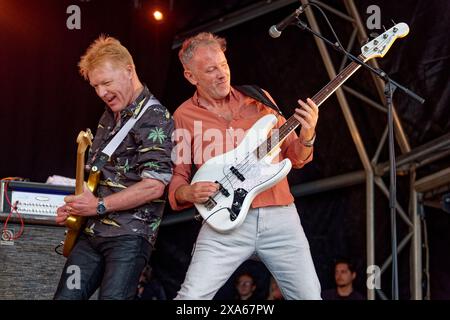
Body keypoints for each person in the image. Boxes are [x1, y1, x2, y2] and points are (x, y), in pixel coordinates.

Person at [168, 32, 321, 300]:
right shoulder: (183, 116)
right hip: (222, 221)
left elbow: (296, 157)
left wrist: (307, 135)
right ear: (191, 77)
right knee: (190, 300)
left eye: (224, 65)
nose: (222, 74)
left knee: (309, 297)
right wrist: (188, 193)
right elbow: (178, 178)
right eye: (211, 69)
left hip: (279, 216)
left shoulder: (259, 98)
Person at [54, 35, 174, 300]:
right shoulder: (109, 116)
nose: (101, 93)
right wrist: (75, 209)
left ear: (129, 70)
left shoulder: (156, 117)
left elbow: (154, 185)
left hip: (128, 237)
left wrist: (97, 207)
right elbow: (98, 179)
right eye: (95, 86)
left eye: (106, 83)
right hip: (91, 233)